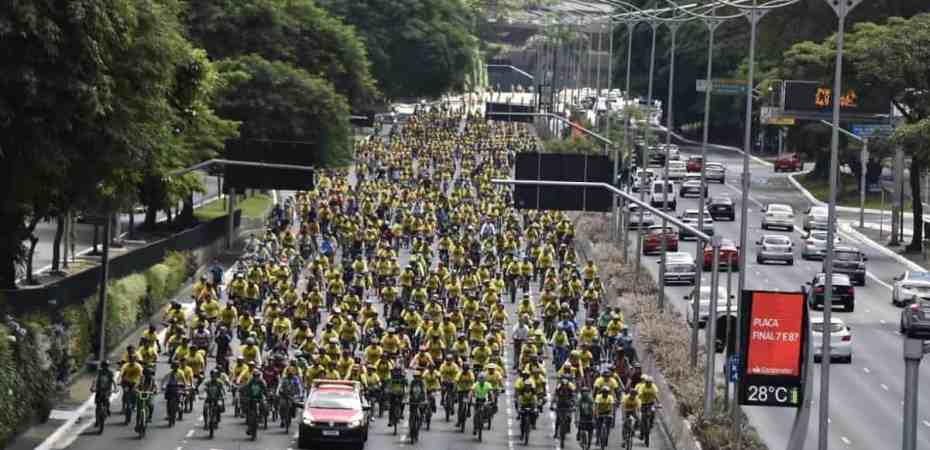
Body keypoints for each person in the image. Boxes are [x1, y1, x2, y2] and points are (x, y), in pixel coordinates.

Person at [634, 375, 659, 439]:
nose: (649, 384)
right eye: (647, 382)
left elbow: (656, 395)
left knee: (653, 411)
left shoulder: (653, 386)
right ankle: (641, 433)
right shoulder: (642, 386)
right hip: (643, 403)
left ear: (652, 382)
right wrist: (639, 397)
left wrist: (659, 403)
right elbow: (639, 394)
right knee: (643, 418)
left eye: (650, 382)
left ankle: (651, 423)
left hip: (651, 403)